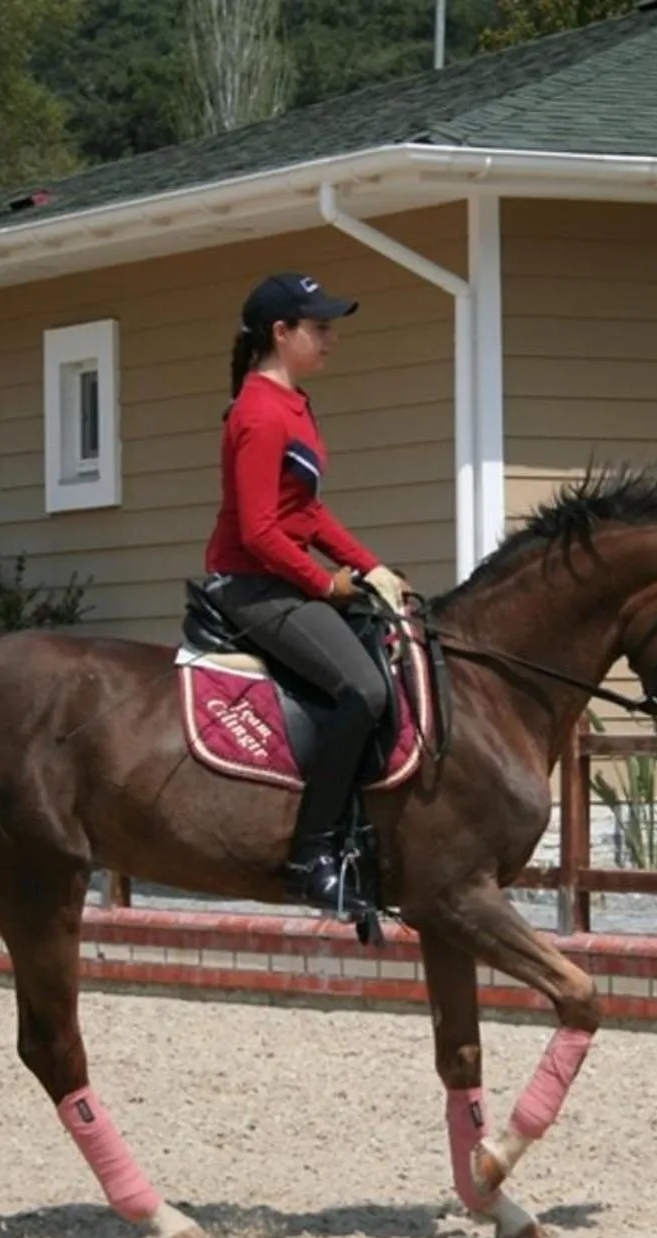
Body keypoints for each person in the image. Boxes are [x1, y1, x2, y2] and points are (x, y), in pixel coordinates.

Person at [202, 271, 411, 914]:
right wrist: (325, 583)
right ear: (281, 332)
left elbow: (306, 513)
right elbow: (260, 531)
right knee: (366, 689)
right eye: (319, 328)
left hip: (283, 578)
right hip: (254, 587)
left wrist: (372, 568)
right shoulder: (259, 414)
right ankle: (309, 855)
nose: (331, 340)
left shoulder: (295, 405)